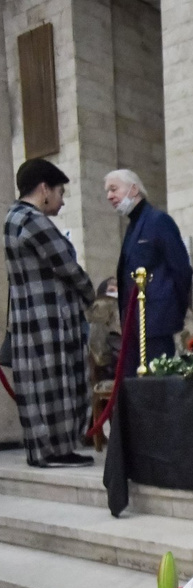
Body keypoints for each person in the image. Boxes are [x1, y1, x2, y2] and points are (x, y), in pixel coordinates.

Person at [4, 158, 96, 467]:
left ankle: (42, 449)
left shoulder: (12, 218)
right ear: (44, 189)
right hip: (49, 319)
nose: (62, 200)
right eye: (60, 192)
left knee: (36, 382)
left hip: (28, 316)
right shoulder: (33, 220)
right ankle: (57, 449)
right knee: (56, 380)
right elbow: (67, 267)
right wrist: (90, 293)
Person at [106, 169, 193, 375]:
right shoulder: (132, 226)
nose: (109, 196)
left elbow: (181, 269)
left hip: (156, 323)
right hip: (133, 325)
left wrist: (172, 311)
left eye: (114, 189)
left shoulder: (158, 221)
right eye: (107, 191)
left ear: (134, 189)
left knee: (156, 384)